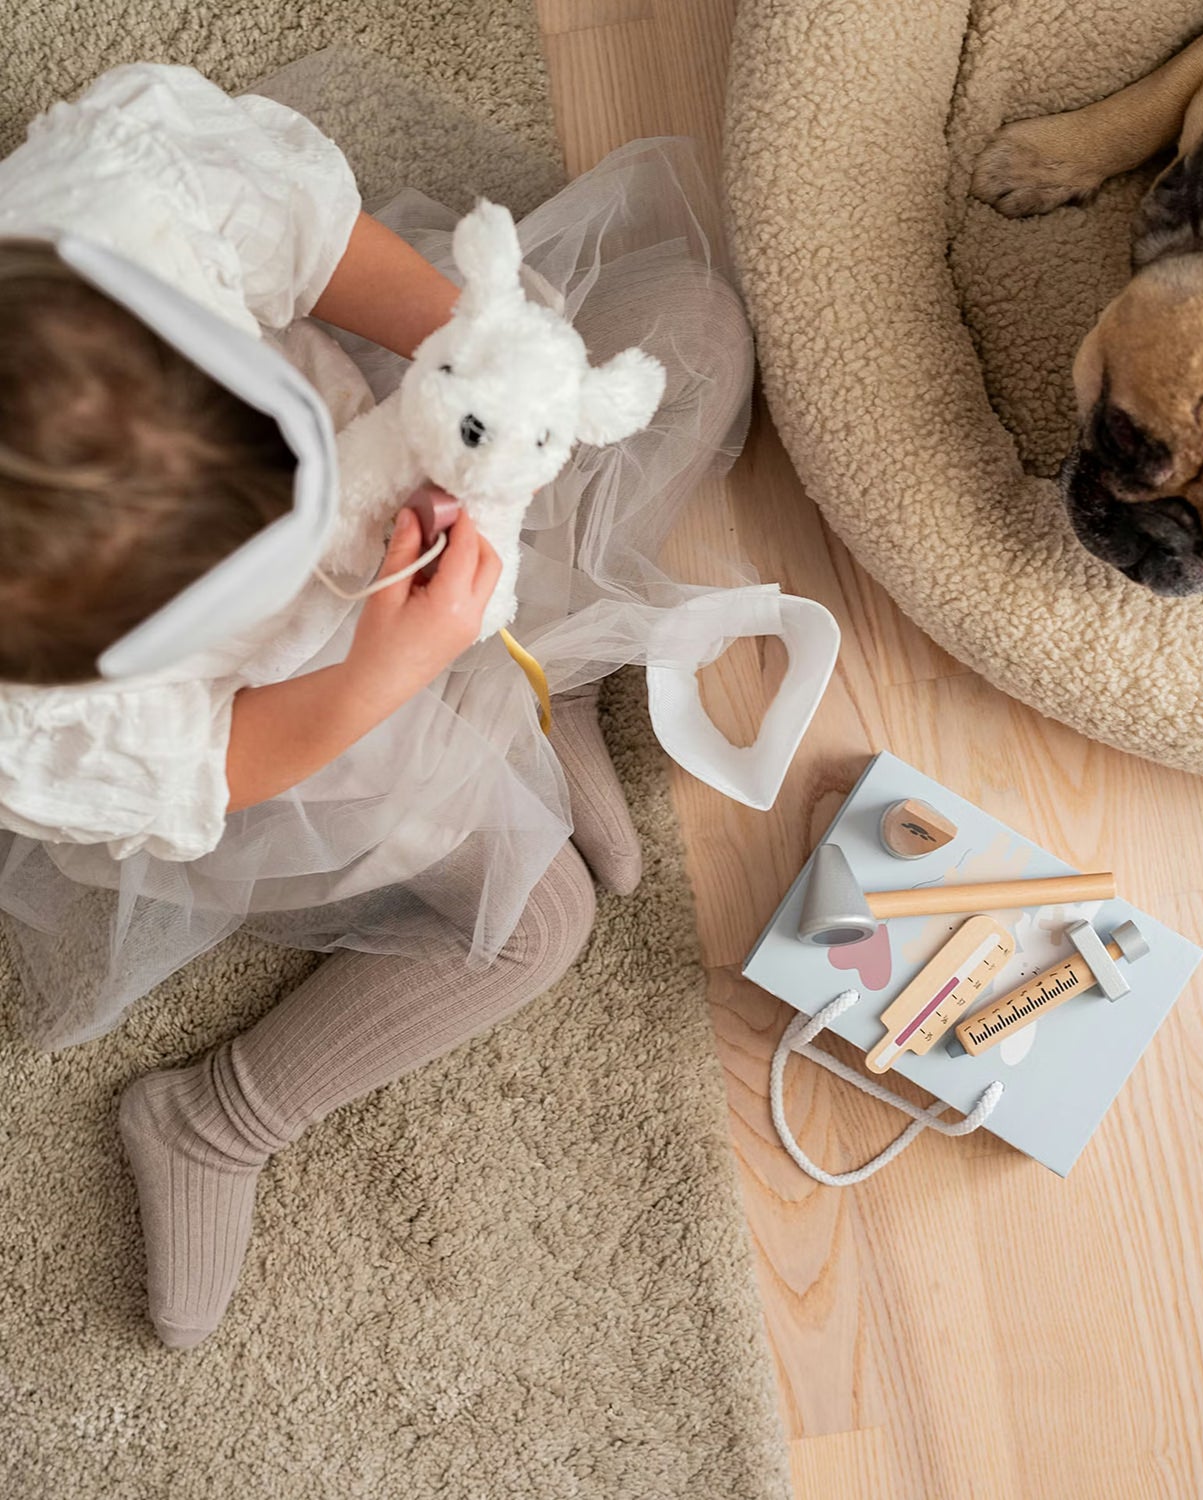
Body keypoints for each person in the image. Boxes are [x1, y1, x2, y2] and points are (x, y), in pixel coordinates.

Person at [0, 59, 753, 1347]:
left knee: (693, 325)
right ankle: (215, 1120)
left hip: (403, 434)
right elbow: (223, 765)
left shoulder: (119, 205)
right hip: (299, 702)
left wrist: (482, 388)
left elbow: (318, 246)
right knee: (542, 923)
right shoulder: (39, 720)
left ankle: (531, 670)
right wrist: (387, 670)